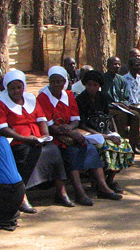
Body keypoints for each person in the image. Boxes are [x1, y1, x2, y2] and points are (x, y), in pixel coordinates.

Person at [37, 66, 121, 205]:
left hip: (71, 132)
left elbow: (76, 119)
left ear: (65, 81)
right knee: (71, 152)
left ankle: (103, 186)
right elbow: (49, 125)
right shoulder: (43, 97)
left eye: (60, 81)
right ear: (49, 82)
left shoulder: (69, 95)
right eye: (53, 81)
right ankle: (79, 192)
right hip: (55, 135)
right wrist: (69, 132)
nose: (57, 85)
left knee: (90, 149)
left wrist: (70, 128)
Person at [0, 70, 70, 213]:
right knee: (24, 154)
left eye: (19, 87)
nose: (16, 91)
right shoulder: (1, 103)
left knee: (53, 151)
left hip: (37, 139)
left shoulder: (31, 99)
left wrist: (45, 136)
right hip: (17, 141)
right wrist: (24, 139)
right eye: (12, 88)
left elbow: (42, 119)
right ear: (7, 88)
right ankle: (22, 197)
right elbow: (2, 128)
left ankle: (61, 192)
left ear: (24, 87)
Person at [76, 70, 133, 194]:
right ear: (85, 84)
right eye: (89, 85)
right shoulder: (80, 99)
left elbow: (108, 118)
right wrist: (104, 136)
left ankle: (110, 180)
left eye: (95, 85)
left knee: (123, 145)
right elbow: (82, 124)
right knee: (105, 147)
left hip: (104, 131)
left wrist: (113, 133)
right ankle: (98, 182)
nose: (92, 88)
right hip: (89, 134)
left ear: (99, 86)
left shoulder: (102, 98)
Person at [102, 57, 140, 155]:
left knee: (136, 115)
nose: (117, 66)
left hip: (122, 107)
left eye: (118, 64)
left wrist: (124, 104)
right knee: (121, 116)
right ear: (108, 66)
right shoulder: (103, 79)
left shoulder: (121, 80)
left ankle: (133, 145)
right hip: (109, 108)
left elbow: (126, 98)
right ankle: (120, 144)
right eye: (114, 64)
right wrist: (116, 105)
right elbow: (102, 97)